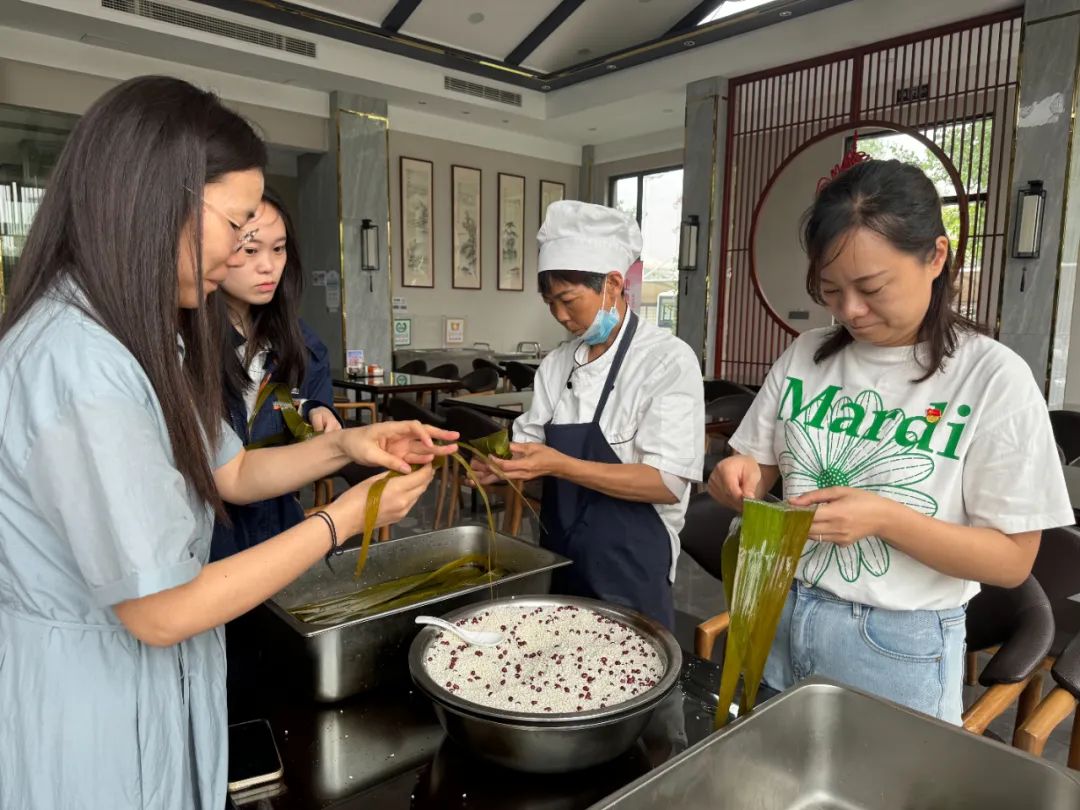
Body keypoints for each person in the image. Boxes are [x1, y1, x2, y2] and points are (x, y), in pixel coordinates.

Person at [0, 76, 455, 810]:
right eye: (238, 224)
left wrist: (349, 447)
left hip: (151, 687)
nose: (245, 250)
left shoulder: (143, 339)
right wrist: (343, 518)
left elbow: (233, 470)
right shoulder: (79, 364)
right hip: (90, 710)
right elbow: (162, 610)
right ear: (161, 202)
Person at [708, 159, 1073, 723]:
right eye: (830, 290)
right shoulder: (807, 355)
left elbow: (1011, 561)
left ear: (936, 257)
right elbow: (754, 466)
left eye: (872, 288)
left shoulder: (991, 377)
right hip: (779, 606)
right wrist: (739, 478)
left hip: (895, 643)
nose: (850, 310)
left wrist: (885, 519)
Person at [475, 201, 704, 630]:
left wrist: (560, 464)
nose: (560, 316)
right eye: (550, 303)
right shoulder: (556, 365)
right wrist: (503, 467)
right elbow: (531, 449)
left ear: (613, 284)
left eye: (568, 300)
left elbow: (666, 483)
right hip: (561, 562)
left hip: (632, 572)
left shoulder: (666, 360)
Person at [210, 188, 342, 560]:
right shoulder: (187, 347)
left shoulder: (301, 342)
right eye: (251, 250)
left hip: (280, 531)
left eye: (279, 249)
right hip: (213, 545)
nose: (268, 266)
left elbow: (305, 409)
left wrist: (318, 411)